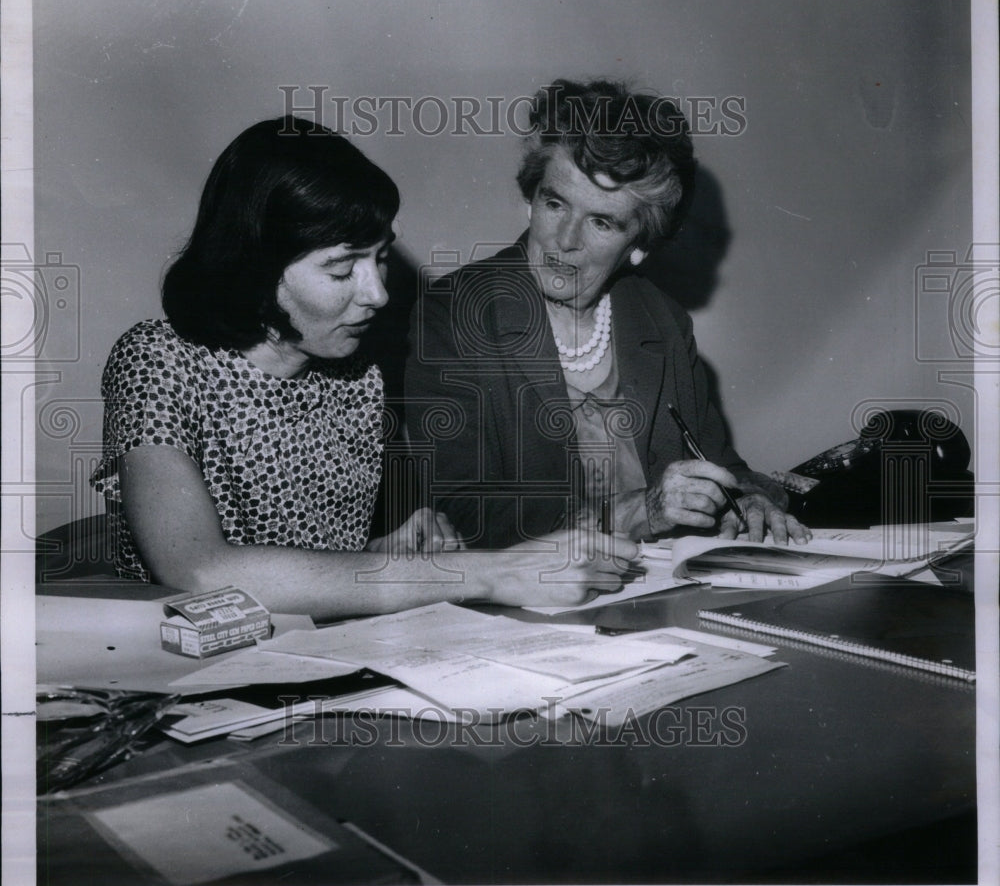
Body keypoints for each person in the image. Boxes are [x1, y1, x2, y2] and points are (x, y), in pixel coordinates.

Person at [90, 116, 638, 621]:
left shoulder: (356, 376)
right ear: (255, 264)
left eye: (378, 257)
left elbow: (314, 570)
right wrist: (489, 573)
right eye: (341, 268)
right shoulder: (157, 360)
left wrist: (391, 551)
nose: (377, 292)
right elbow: (199, 571)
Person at [405, 79, 810, 549]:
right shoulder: (458, 312)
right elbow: (463, 510)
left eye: (602, 222)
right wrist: (642, 511)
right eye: (554, 203)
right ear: (530, 199)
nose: (566, 238)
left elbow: (721, 466)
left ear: (639, 246)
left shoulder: (662, 320)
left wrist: (752, 499)